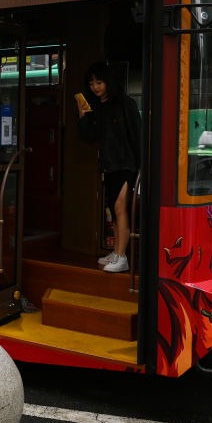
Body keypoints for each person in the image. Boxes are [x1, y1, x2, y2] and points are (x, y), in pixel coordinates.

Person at [77, 62, 140, 273]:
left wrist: (141, 168)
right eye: (92, 83)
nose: (95, 87)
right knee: (113, 211)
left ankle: (122, 257)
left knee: (121, 208)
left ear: (108, 82)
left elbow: (137, 135)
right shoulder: (96, 107)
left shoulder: (125, 104)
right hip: (108, 166)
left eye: (100, 82)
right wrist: (83, 116)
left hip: (127, 165)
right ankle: (116, 252)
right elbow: (89, 137)